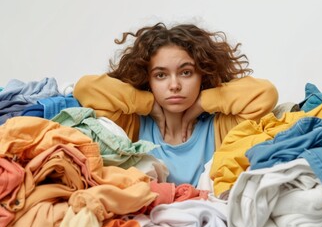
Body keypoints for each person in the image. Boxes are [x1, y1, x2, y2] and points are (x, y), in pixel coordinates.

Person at [73, 22, 278, 186]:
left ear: (202, 75)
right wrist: (148, 105)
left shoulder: (220, 126)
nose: (174, 85)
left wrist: (202, 104)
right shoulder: (132, 124)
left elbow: (265, 94)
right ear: (148, 79)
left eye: (186, 72)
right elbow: (85, 88)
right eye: (160, 75)